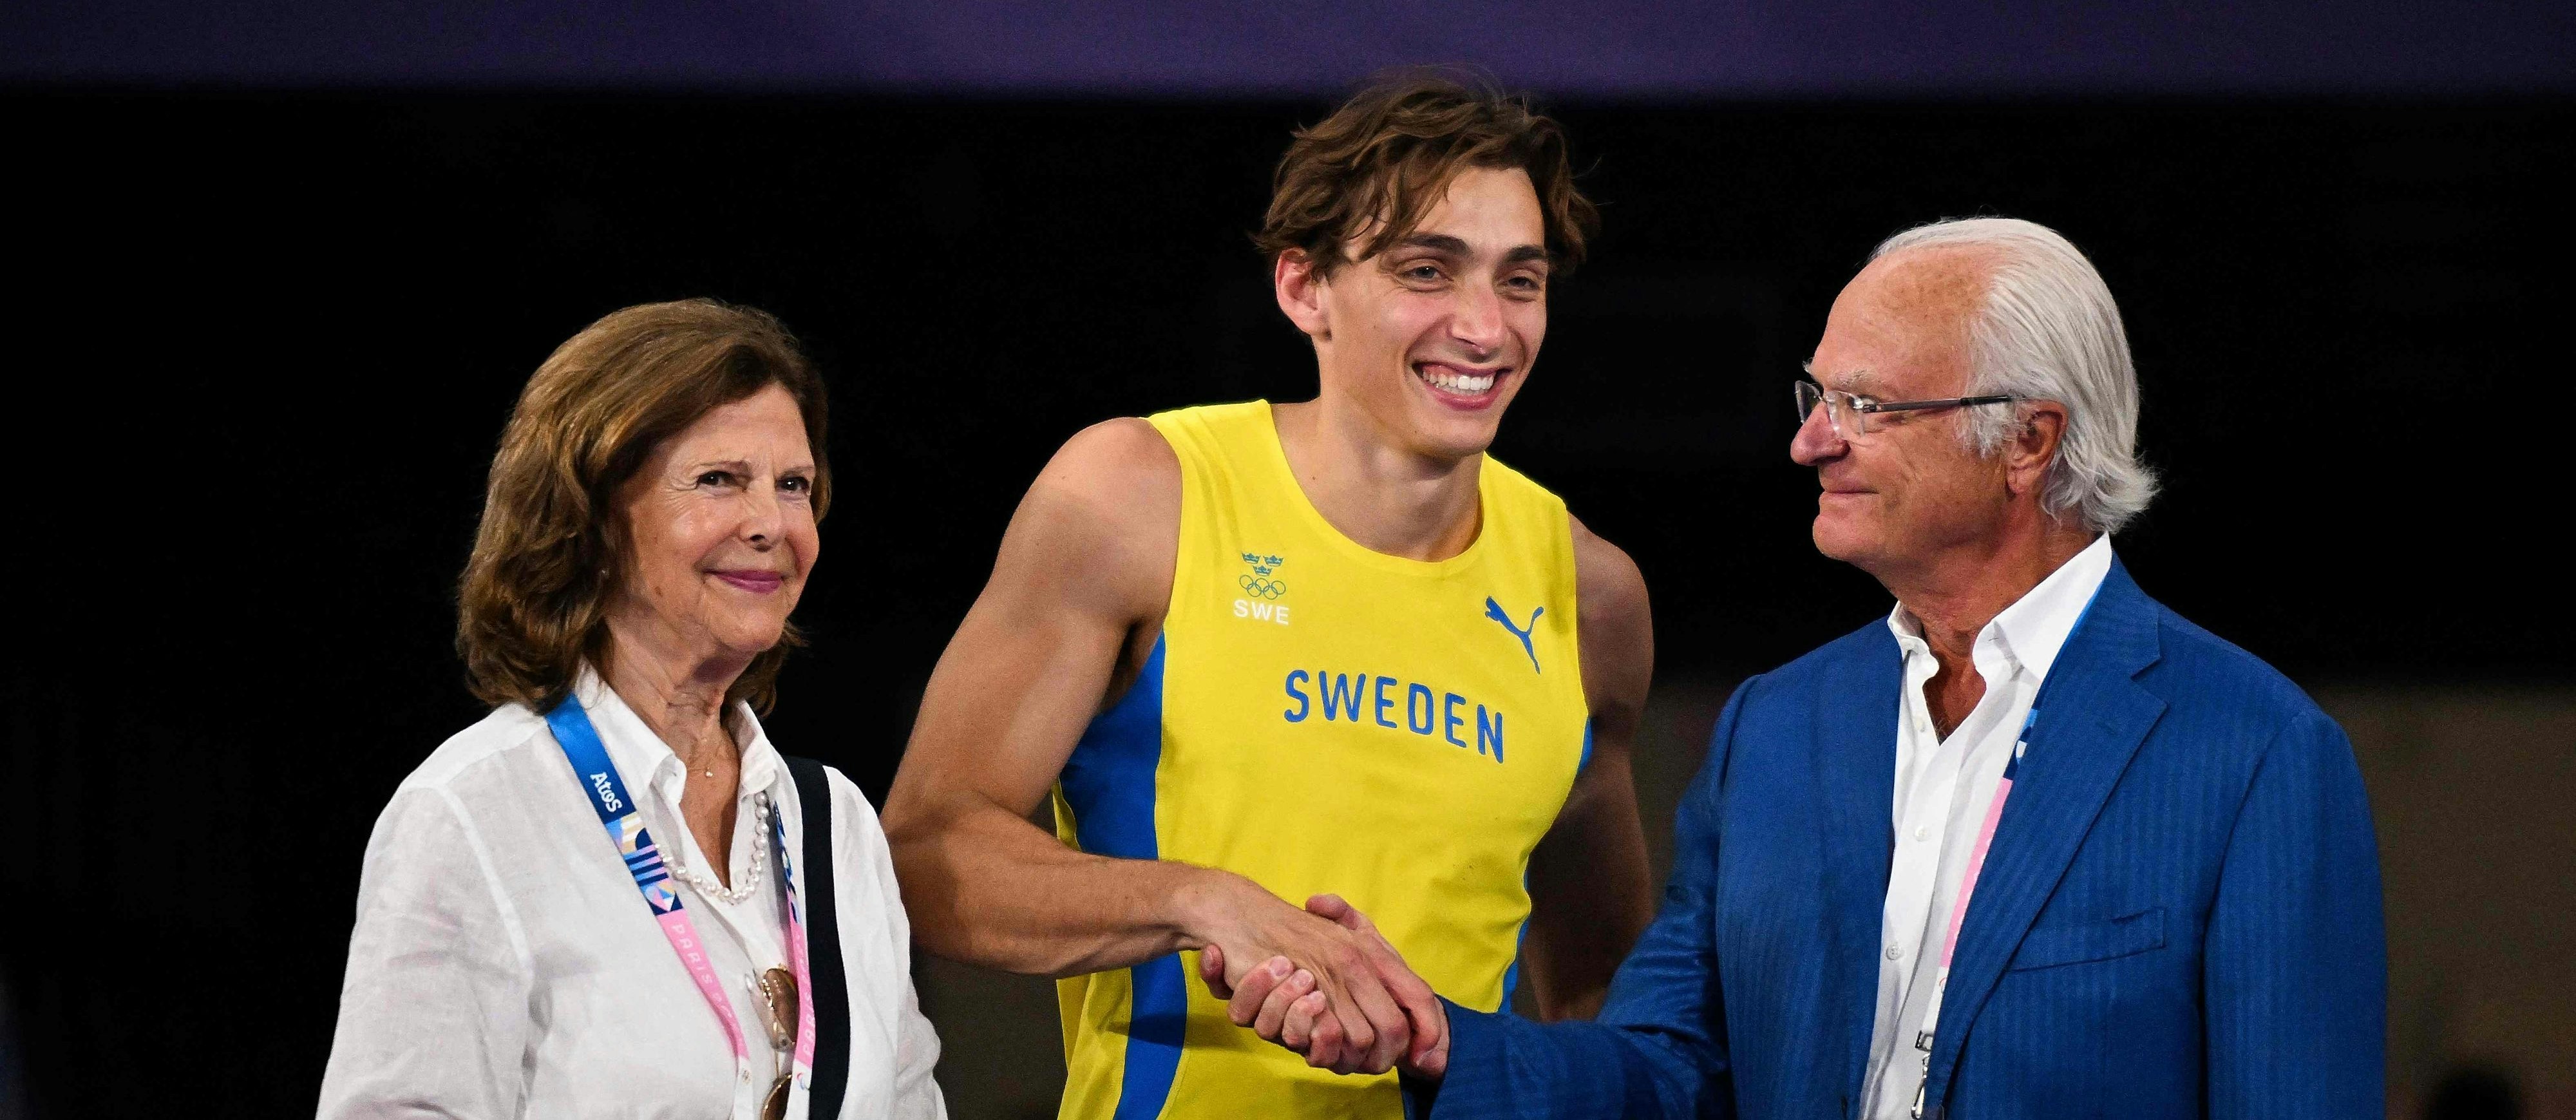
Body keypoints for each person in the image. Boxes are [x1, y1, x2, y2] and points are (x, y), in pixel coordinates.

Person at [1226, 217, 2389, 1118]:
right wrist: (1434, 1033)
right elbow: (1664, 1070)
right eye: (1817, 395)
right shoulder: (1777, 727)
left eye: (1866, 404)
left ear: (2028, 442)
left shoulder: (2252, 753)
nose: (1810, 439)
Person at [878, 73, 1658, 1117]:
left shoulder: (1592, 593)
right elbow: (926, 848)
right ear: (1304, 289)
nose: (1483, 326)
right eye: (1428, 270)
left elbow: (1602, 997)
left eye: (1520, 281)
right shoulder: (1137, 498)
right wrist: (1202, 900)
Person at [317, 299, 945, 1119]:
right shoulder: (476, 811)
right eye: (719, 480)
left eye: (793, 485)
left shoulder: (835, 824)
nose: (770, 524)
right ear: (594, 516)